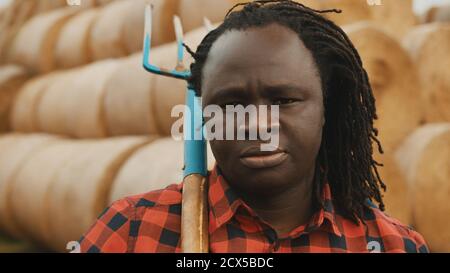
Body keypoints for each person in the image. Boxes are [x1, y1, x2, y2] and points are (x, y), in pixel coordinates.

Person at [79, 0, 428, 253]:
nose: (258, 125)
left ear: (325, 108)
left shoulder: (390, 245)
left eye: (284, 100)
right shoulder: (131, 233)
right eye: (231, 105)